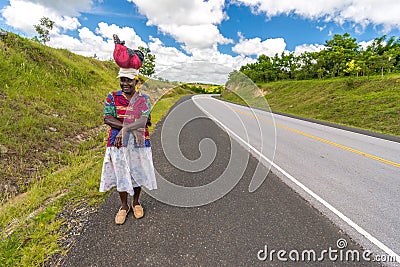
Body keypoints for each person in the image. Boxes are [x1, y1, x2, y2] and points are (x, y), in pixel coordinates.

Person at [99, 67, 157, 225]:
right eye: (122, 79)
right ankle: (124, 206)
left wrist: (124, 128)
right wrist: (128, 129)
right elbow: (107, 118)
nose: (125, 83)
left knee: (138, 172)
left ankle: (136, 202)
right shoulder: (112, 97)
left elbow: (145, 120)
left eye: (129, 80)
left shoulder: (143, 98)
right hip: (118, 143)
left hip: (139, 143)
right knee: (121, 173)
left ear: (136, 81)